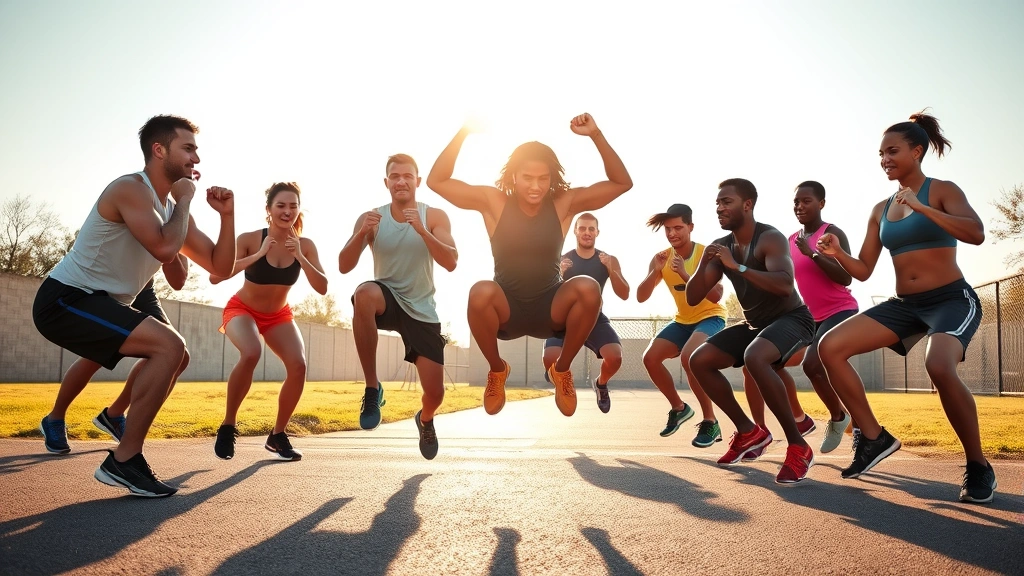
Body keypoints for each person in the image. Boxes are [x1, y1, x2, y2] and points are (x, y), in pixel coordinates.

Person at [33, 115, 236, 497]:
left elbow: (219, 267)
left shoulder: (170, 207)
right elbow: (163, 247)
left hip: (105, 302)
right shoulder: (131, 189)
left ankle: (116, 427)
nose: (196, 157)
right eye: (187, 148)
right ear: (159, 150)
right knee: (169, 346)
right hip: (65, 299)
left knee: (177, 354)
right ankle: (123, 460)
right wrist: (186, 202)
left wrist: (227, 216)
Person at [816, 111, 995, 503]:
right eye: (880, 154)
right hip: (905, 305)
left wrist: (921, 206)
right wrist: (837, 252)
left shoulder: (941, 189)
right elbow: (862, 271)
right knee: (829, 347)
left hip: (951, 298)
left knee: (939, 366)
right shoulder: (879, 209)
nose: (885, 159)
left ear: (917, 151)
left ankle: (979, 466)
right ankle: (874, 437)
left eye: (892, 151)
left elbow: (976, 234)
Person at [426, 113, 632, 418]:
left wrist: (596, 134)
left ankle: (562, 372)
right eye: (527, 178)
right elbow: (437, 181)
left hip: (550, 308)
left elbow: (621, 183)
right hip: (506, 310)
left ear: (551, 178)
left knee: (588, 288)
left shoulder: (563, 204)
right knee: (480, 290)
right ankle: (497, 371)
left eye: (543, 178)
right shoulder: (493, 202)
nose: (536, 186)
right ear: (513, 177)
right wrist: (464, 132)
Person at [686, 178, 816, 484]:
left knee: (755, 357)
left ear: (747, 205)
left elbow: (785, 285)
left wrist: (738, 267)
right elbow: (693, 297)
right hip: (755, 324)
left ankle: (798, 446)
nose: (719, 208)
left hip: (793, 318)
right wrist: (702, 264)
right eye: (717, 203)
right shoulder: (722, 249)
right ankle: (748, 432)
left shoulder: (770, 238)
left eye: (726, 202)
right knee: (698, 360)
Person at [339, 154, 458, 459]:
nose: (401, 181)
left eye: (407, 176)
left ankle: (426, 419)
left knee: (435, 393)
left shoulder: (433, 217)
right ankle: (371, 389)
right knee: (364, 292)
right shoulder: (372, 218)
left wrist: (421, 230)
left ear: (417, 181)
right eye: (395, 176)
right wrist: (360, 234)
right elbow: (344, 265)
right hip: (387, 299)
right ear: (386, 182)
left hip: (421, 312)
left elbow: (451, 261)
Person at [209, 182, 328, 462]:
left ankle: (277, 435)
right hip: (243, 310)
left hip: (278, 316)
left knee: (299, 366)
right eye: (281, 206)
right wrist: (258, 255)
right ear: (269, 210)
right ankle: (228, 426)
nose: (287, 211)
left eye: (293, 206)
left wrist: (299, 255)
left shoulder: (306, 245)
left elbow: (322, 287)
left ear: (299, 210)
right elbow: (216, 276)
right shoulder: (250, 238)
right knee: (251, 352)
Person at [636, 204, 728, 448]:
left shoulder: (707, 254)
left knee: (689, 357)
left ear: (690, 227)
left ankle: (710, 421)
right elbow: (641, 296)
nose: (672, 233)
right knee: (650, 358)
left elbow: (717, 295)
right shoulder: (662, 258)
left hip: (711, 317)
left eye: (678, 228)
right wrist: (654, 271)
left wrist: (687, 274)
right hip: (682, 321)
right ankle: (679, 408)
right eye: (668, 229)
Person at [541, 213, 628, 413]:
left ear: (597, 232)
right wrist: (559, 274)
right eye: (582, 228)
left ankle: (601, 384)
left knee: (615, 357)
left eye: (591, 229)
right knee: (549, 360)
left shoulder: (607, 259)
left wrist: (611, 269)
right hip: (564, 321)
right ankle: (559, 376)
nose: (587, 233)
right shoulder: (562, 259)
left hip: (594, 319)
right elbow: (546, 297)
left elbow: (624, 294)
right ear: (575, 231)